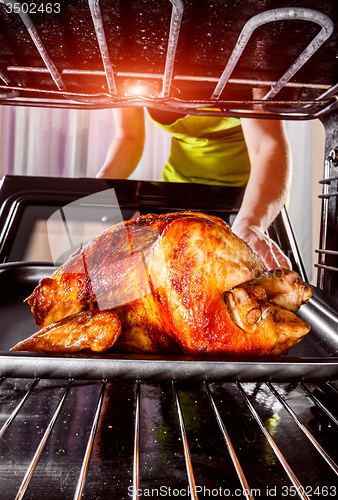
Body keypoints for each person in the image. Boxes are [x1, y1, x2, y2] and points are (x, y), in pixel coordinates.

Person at [96, 107, 292, 270]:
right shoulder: (131, 67)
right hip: (176, 191)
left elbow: (267, 144)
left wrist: (251, 223)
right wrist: (98, 189)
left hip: (250, 199)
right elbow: (128, 136)